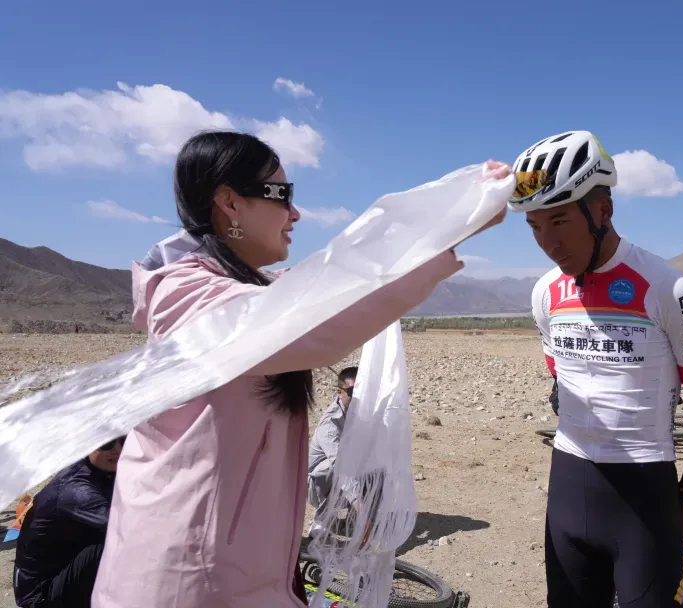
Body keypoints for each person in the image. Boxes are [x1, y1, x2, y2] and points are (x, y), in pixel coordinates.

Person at [90, 131, 508, 607]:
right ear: (230, 202)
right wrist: (448, 233)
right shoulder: (186, 296)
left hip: (238, 570)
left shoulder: (252, 290)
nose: (296, 213)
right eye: (282, 195)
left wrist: (452, 219)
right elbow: (313, 320)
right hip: (187, 577)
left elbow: (341, 279)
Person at [508, 130, 683, 607]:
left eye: (560, 221)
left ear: (603, 211)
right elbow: (561, 383)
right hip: (568, 489)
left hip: (645, 501)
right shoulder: (545, 293)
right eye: (535, 227)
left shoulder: (671, 289)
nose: (548, 242)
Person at [13, 437, 124, 608]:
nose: (117, 449)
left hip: (67, 563)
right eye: (107, 443)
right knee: (113, 543)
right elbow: (124, 527)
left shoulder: (98, 469)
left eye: (123, 440)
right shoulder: (77, 491)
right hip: (41, 593)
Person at [307, 366, 358, 537]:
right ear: (339, 392)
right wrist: (359, 503)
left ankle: (350, 520)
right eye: (352, 392)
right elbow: (341, 466)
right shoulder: (330, 424)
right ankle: (321, 523)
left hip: (346, 479)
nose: (358, 397)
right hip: (317, 485)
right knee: (333, 468)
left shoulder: (361, 415)